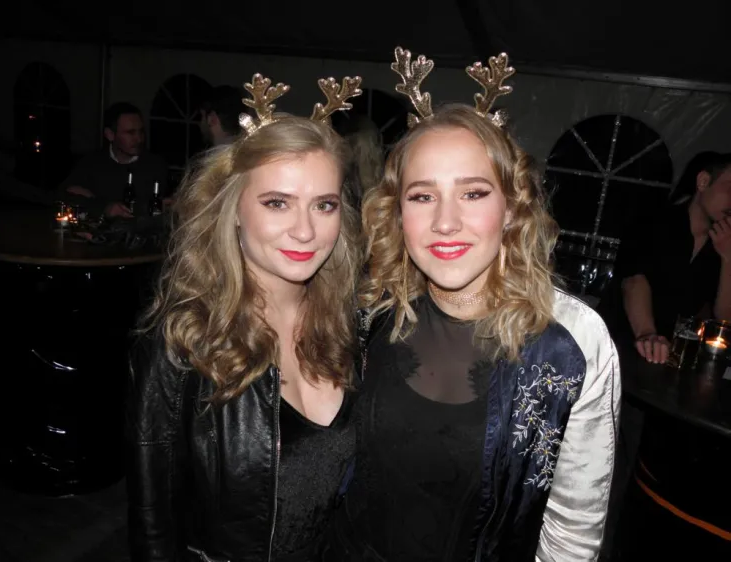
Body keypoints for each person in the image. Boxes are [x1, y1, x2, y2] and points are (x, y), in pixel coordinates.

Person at [323, 48, 621, 562]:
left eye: (474, 193)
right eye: (422, 196)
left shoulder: (571, 342)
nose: (445, 222)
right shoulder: (371, 311)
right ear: (397, 213)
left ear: (512, 208)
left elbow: (572, 536)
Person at [127, 73, 363, 562]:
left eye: (324, 205)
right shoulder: (183, 343)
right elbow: (154, 523)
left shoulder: (352, 325)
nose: (305, 231)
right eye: (277, 203)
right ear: (233, 209)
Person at [598, 151, 731, 363]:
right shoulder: (652, 220)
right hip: (613, 347)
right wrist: (648, 334)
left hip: (669, 359)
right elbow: (634, 281)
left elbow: (724, 320)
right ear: (703, 182)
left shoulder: (721, 245)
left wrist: (728, 258)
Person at [57, 102, 168, 218]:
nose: (139, 139)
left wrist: (94, 199)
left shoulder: (155, 165)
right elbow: (62, 195)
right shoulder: (92, 162)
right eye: (130, 133)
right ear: (110, 134)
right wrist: (104, 207)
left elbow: (155, 208)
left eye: (141, 131)